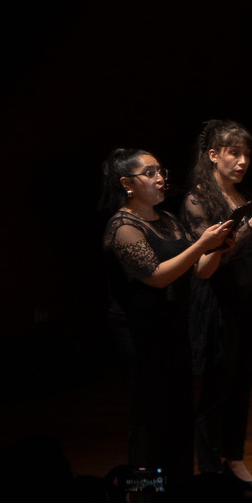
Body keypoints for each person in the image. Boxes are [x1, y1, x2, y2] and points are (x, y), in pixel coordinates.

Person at [101, 148, 233, 481]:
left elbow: (200, 270)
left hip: (173, 333)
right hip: (140, 337)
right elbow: (157, 276)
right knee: (148, 422)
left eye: (161, 171)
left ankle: (178, 496)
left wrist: (218, 246)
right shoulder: (122, 226)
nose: (160, 178)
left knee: (178, 417)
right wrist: (202, 245)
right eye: (150, 173)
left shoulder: (169, 220)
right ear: (127, 184)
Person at [183, 120, 252, 485]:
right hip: (219, 304)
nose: (242, 161)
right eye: (234, 153)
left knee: (242, 387)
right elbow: (207, 261)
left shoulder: (245, 195)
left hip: (251, 302)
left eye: (246, 154)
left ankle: (234, 458)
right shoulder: (198, 199)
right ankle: (210, 468)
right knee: (217, 391)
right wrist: (250, 230)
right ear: (214, 155)